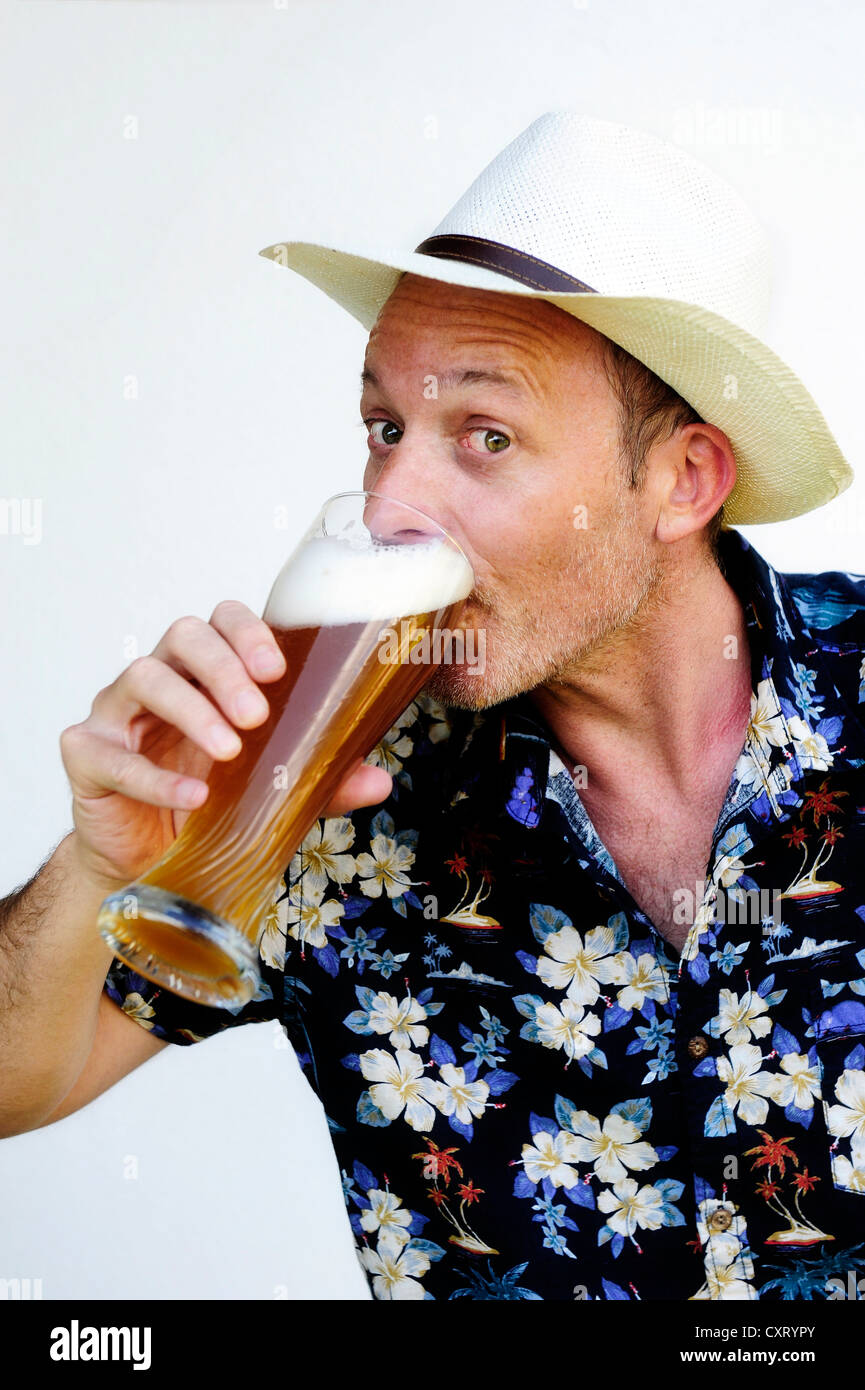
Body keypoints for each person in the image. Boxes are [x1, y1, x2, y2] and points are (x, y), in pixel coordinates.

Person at [2, 112, 864, 1302]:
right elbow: (14, 1086)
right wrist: (96, 870)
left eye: (487, 434)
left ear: (681, 481)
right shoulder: (324, 784)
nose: (390, 500)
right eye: (384, 427)